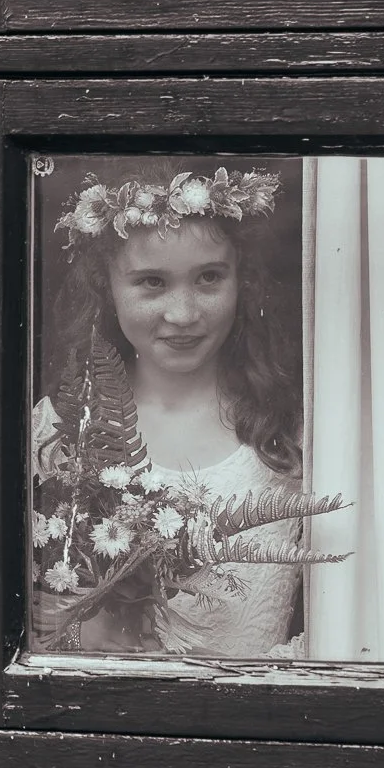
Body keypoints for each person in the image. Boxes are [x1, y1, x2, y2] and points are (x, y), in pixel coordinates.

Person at [34, 161, 303, 656]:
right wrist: (80, 629)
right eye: (152, 283)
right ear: (105, 289)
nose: (182, 315)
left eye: (208, 278)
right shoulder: (59, 429)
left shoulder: (289, 432)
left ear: (242, 282)